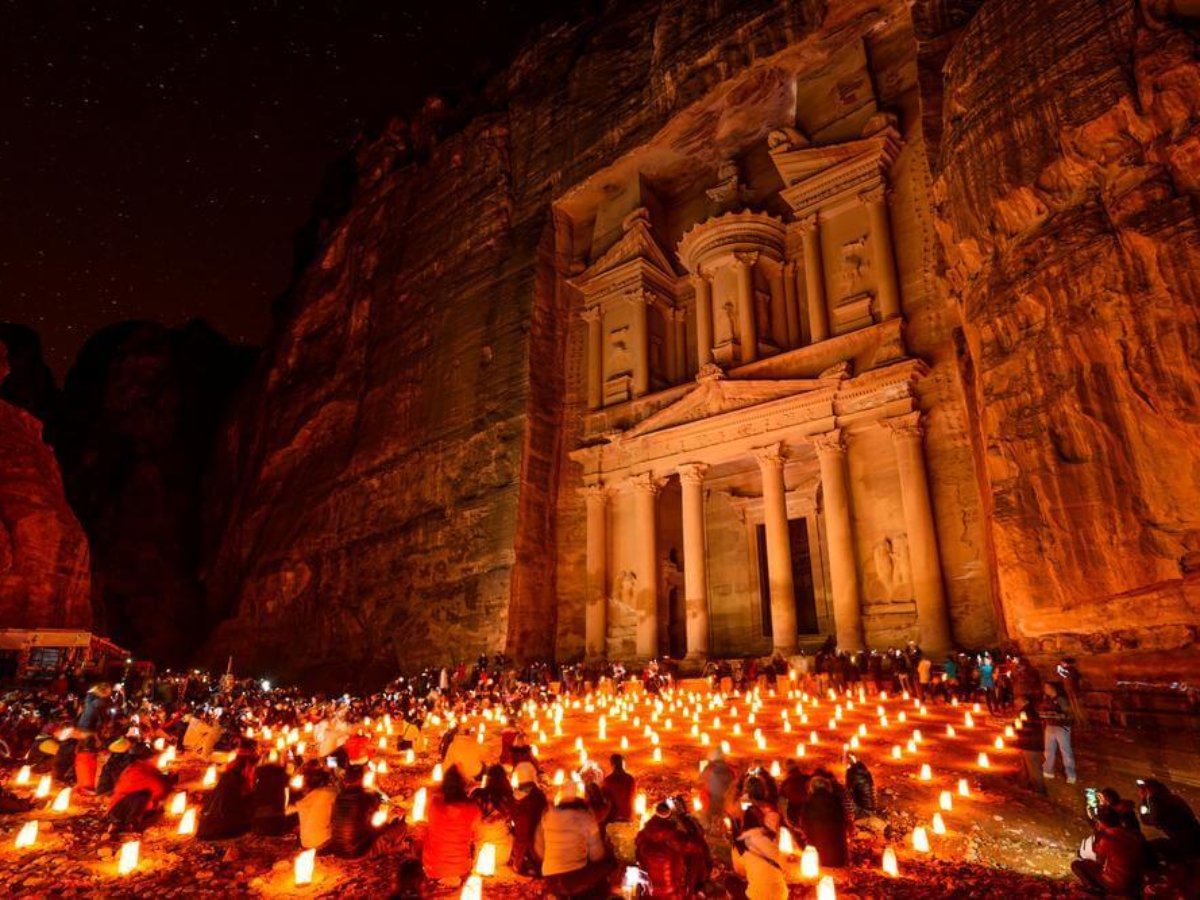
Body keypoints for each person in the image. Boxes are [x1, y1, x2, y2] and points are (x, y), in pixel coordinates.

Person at [535, 780, 613, 898]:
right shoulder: (586, 818)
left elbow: (539, 850)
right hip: (573, 877)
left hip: (550, 878)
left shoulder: (547, 816)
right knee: (608, 865)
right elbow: (597, 855)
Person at [423, 765, 483, 885]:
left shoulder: (433, 803)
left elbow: (426, 821)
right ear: (464, 787)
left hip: (432, 868)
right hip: (460, 869)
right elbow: (477, 837)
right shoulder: (473, 809)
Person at [1071, 806, 1145, 896]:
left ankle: (1096, 891)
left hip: (1118, 883)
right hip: (1135, 881)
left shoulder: (1107, 839)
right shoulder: (1129, 833)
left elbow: (1098, 858)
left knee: (1077, 865)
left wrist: (1098, 834)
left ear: (1101, 823)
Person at [106, 744, 174, 834]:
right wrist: (168, 785)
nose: (158, 759)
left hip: (128, 807)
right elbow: (159, 787)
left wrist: (168, 778)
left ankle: (132, 825)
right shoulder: (137, 771)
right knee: (142, 796)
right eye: (156, 756)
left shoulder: (143, 767)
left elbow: (158, 779)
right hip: (118, 812)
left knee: (156, 808)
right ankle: (123, 825)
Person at [730, 804, 787, 900]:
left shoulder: (739, 844)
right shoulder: (772, 836)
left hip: (756, 896)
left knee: (730, 882)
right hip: (780, 895)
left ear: (744, 823)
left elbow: (740, 871)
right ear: (762, 821)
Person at [1138, 778, 1200, 863]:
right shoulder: (1173, 798)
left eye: (1144, 790)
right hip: (1195, 836)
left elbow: (1148, 820)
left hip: (1185, 844)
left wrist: (1144, 800)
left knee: (1148, 848)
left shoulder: (1159, 803)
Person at [636, 801, 690, 899]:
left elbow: (640, 859)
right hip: (670, 891)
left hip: (649, 892)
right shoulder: (674, 836)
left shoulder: (644, 834)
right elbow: (680, 862)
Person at [329, 764, 383, 858]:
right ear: (362, 778)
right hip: (356, 850)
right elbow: (375, 818)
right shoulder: (365, 797)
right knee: (395, 826)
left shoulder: (339, 797)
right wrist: (374, 791)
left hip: (338, 849)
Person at [197, 756, 255, 840]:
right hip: (225, 825)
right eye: (250, 770)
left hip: (212, 824)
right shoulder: (236, 780)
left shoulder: (227, 777)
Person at [801, 773, 849, 868]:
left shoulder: (809, 802)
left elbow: (804, 822)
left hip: (818, 845)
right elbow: (843, 818)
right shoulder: (836, 800)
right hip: (838, 849)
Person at [288, 767, 337, 850]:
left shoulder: (304, 800)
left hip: (305, 843)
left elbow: (288, 810)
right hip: (323, 842)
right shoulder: (331, 792)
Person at [1040, 681, 1076, 783]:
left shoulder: (1061, 699)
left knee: (1065, 750)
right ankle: (1048, 771)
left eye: (1047, 687)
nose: (1045, 690)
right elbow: (1042, 710)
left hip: (1061, 727)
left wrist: (1058, 715)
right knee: (1048, 750)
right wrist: (1044, 714)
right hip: (1050, 726)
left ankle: (1071, 774)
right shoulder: (1046, 699)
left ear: (1053, 688)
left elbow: (1068, 713)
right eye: (1045, 688)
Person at [1013, 694, 1045, 795]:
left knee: (1033, 767)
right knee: (1026, 766)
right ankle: (1023, 785)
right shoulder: (1030, 710)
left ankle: (1040, 790)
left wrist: (1017, 727)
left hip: (1030, 744)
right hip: (1031, 742)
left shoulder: (1025, 712)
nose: (1015, 703)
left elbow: (1025, 726)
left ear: (1024, 701)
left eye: (1017, 701)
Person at [697, 748, 736, 827]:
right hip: (726, 801)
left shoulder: (709, 768)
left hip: (711, 800)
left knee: (707, 818)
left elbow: (700, 780)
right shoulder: (729, 770)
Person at [602, 753, 636, 823]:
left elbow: (605, 800)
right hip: (628, 815)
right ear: (623, 764)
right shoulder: (630, 779)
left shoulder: (608, 781)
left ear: (612, 765)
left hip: (613, 817)